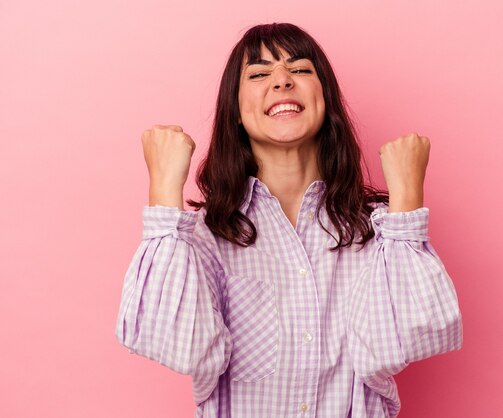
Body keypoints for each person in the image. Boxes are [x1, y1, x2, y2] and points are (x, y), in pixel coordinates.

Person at [115, 22, 463, 418]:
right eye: (260, 74)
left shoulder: (379, 232)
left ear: (325, 99)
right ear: (236, 113)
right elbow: (179, 347)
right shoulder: (202, 236)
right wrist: (163, 189)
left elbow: (397, 346)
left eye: (299, 70)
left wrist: (407, 202)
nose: (281, 81)